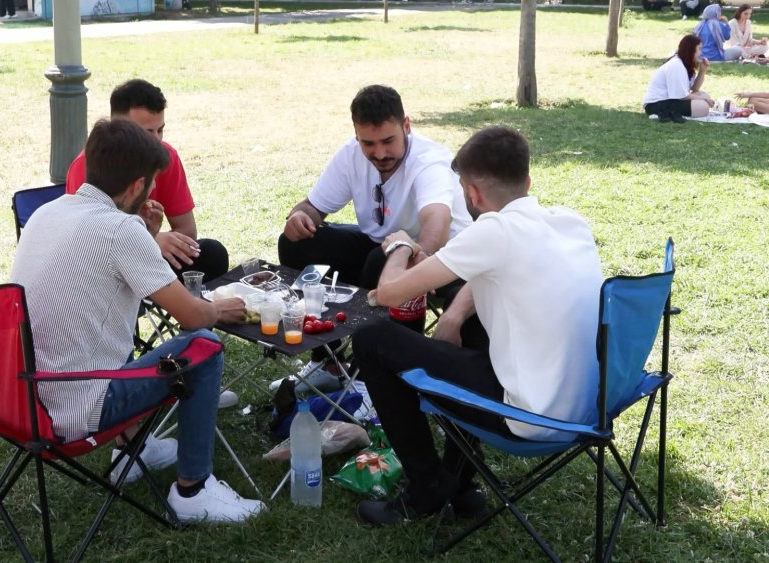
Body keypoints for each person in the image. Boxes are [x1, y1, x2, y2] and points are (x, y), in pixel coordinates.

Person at [12, 119, 265, 523]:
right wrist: (221, 309)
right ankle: (193, 489)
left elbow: (104, 283)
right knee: (205, 346)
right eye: (149, 184)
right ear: (135, 187)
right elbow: (193, 315)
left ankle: (135, 448)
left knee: (107, 328)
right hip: (76, 409)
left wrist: (147, 235)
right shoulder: (119, 230)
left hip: (24, 398)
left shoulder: (46, 213)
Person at [352, 126, 603, 526]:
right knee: (471, 321)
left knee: (371, 339)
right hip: (588, 404)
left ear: (471, 194)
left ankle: (428, 485)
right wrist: (452, 315)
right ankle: (461, 487)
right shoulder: (570, 221)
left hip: (531, 418)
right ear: (528, 180)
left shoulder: (493, 230)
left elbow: (390, 294)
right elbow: (489, 270)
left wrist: (398, 246)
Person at [274, 84, 473, 386]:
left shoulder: (428, 160)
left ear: (406, 125)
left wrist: (421, 258)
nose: (379, 153)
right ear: (356, 135)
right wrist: (299, 217)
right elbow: (312, 207)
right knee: (297, 243)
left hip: (444, 258)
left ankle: (375, 377)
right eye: (368, 143)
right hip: (381, 248)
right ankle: (328, 362)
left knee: (381, 259)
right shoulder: (350, 155)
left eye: (388, 141)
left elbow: (437, 220)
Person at [67, 79, 229, 281]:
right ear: (118, 127)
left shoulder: (166, 156)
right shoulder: (85, 166)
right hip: (103, 267)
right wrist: (151, 241)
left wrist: (153, 242)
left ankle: (197, 307)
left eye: (160, 130)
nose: (156, 140)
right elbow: (87, 242)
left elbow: (187, 230)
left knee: (213, 254)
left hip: (149, 257)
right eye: (147, 132)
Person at [643, 34, 714, 123]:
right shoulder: (676, 65)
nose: (701, 53)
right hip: (657, 104)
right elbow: (682, 96)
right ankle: (666, 113)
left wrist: (702, 71)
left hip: (671, 101)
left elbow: (695, 89)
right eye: (699, 49)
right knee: (703, 106)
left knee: (704, 95)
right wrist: (703, 99)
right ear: (691, 50)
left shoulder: (684, 64)